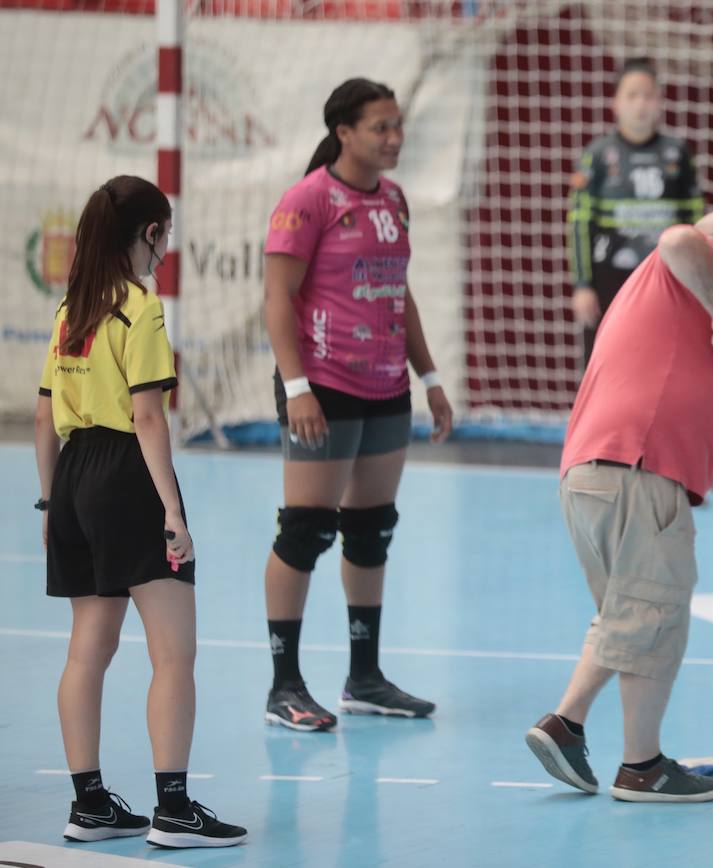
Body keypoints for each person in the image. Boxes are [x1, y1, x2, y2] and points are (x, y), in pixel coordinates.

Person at [526, 212, 713, 803]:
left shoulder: (680, 320)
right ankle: (582, 733)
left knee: (637, 618)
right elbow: (679, 239)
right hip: (633, 476)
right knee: (649, 616)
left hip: (601, 476)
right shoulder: (686, 273)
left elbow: (679, 425)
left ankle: (628, 758)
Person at [35, 176, 246, 848]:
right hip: (127, 475)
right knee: (174, 654)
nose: (167, 247)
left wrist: (50, 499)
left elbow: (44, 415)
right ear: (150, 233)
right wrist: (173, 511)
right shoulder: (140, 308)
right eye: (167, 233)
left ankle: (90, 804)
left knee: (86, 652)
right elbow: (149, 417)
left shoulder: (72, 308)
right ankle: (174, 809)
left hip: (72, 476)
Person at [261, 78, 454, 731]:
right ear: (343, 131)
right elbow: (277, 299)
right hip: (324, 385)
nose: (393, 137)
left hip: (385, 386)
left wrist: (428, 375)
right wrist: (296, 388)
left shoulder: (394, 200)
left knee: (371, 530)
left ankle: (364, 677)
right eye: (380, 126)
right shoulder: (308, 200)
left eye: (397, 126)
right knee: (306, 529)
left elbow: (398, 292)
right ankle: (284, 685)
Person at [567, 57, 705, 362]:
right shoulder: (598, 155)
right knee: (605, 361)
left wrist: (699, 280)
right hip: (609, 281)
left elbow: (696, 223)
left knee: (662, 360)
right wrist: (582, 285)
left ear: (660, 102)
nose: (640, 103)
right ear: (616, 102)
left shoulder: (677, 154)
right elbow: (579, 225)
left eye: (648, 94)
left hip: (667, 279)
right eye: (632, 95)